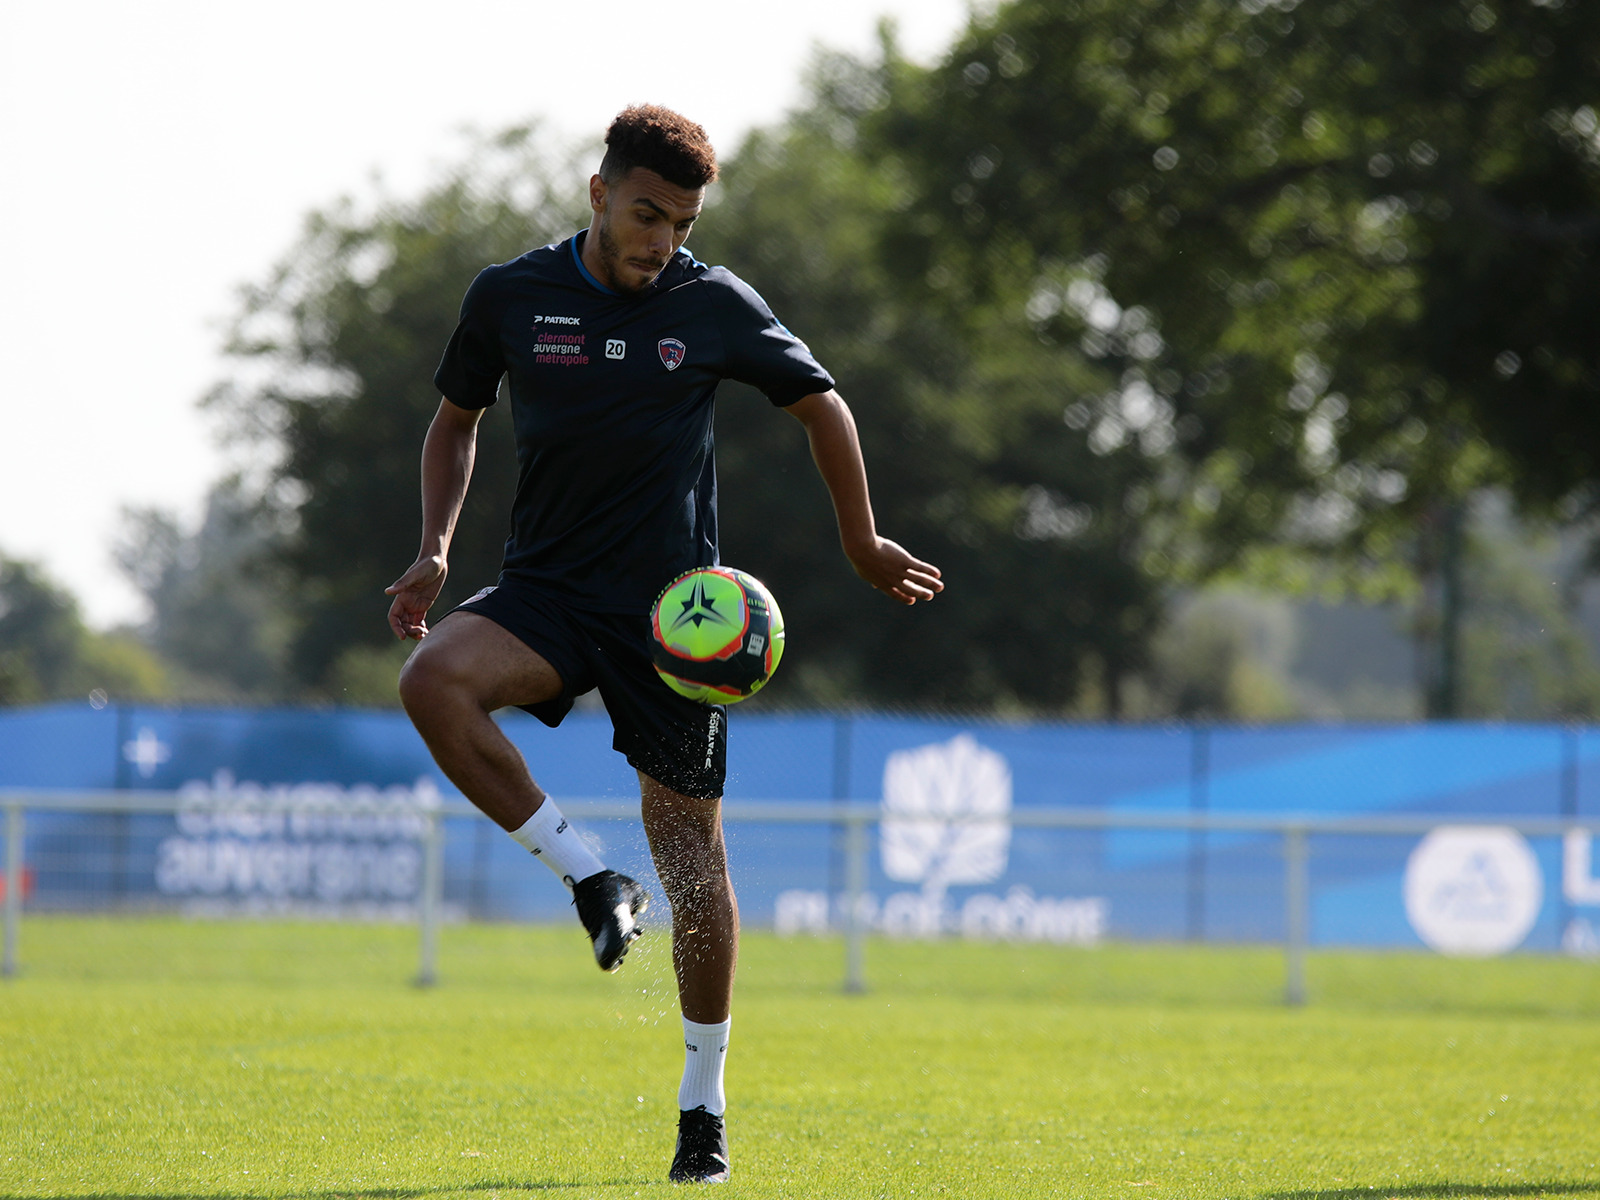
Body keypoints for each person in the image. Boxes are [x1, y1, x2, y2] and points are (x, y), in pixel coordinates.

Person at [386, 104, 942, 1185]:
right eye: (648, 215)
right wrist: (434, 548)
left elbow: (820, 405)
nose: (662, 242)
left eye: (681, 224)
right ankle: (591, 879)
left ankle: (704, 1104)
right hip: (546, 592)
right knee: (434, 681)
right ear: (599, 194)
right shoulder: (510, 296)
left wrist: (860, 540)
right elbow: (456, 419)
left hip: (677, 619)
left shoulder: (712, 301)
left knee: (693, 863)